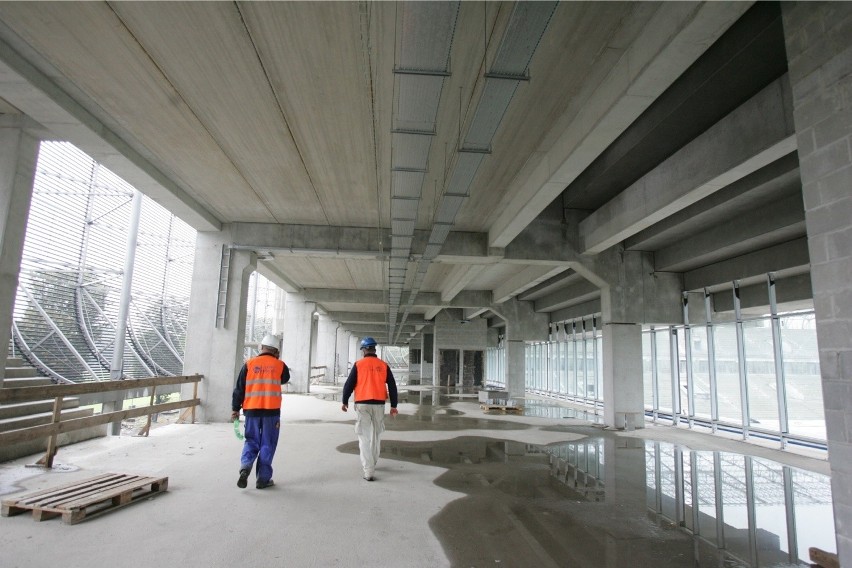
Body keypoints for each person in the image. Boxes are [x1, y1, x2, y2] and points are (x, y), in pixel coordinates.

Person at [231, 333, 290, 489]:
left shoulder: (249, 364)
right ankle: (263, 479)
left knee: (251, 440)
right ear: (276, 351)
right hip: (271, 412)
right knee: (267, 443)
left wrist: (235, 409)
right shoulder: (280, 365)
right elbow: (284, 379)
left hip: (251, 411)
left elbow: (239, 389)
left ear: (261, 347)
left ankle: (245, 467)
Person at [341, 336, 398, 481]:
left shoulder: (358, 365)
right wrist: (394, 406)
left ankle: (368, 470)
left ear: (364, 349)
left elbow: (348, 384)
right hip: (379, 405)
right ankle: (373, 461)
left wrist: (345, 401)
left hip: (362, 405)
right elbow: (392, 386)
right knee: (376, 435)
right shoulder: (383, 365)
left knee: (363, 436)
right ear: (374, 349)